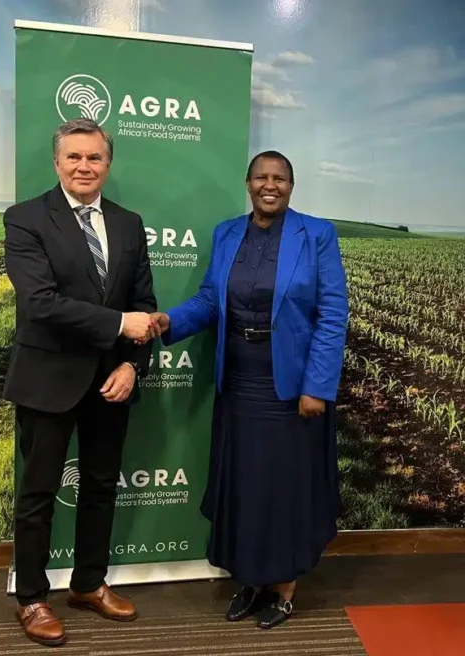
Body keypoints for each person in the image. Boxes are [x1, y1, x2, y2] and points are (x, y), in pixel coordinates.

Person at [149, 150, 349, 630]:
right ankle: (252, 579)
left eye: (280, 178)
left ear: (291, 186)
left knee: (283, 489)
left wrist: (316, 386)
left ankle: (284, 587)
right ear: (248, 182)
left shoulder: (317, 235)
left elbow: (332, 314)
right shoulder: (227, 233)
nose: (270, 185)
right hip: (239, 383)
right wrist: (170, 321)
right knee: (245, 486)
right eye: (262, 176)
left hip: (290, 389)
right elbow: (209, 300)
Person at [2, 118, 157, 647]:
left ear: (108, 164)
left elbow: (144, 305)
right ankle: (31, 598)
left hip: (111, 381)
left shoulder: (129, 224)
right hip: (47, 380)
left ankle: (89, 583)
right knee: (38, 494)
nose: (84, 166)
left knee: (100, 488)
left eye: (94, 158)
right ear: (57, 162)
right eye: (74, 157)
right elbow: (40, 303)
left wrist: (132, 365)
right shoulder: (26, 219)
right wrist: (118, 325)